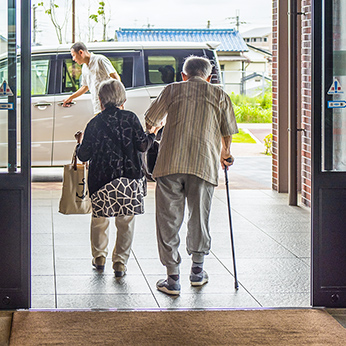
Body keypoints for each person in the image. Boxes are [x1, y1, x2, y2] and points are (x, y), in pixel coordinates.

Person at [145, 56, 238, 295]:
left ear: (184, 75)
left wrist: (158, 126)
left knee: (168, 220)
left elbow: (150, 120)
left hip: (170, 163)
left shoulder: (172, 90)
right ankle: (197, 272)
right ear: (209, 77)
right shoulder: (219, 95)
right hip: (203, 163)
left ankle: (172, 278)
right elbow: (227, 131)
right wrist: (225, 154)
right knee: (199, 217)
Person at [75, 79, 159, 277]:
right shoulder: (130, 118)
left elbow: (84, 155)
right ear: (123, 98)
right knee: (126, 222)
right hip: (129, 180)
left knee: (99, 221)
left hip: (102, 181)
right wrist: (152, 134)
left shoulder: (94, 123)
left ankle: (99, 258)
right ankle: (120, 263)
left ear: (101, 99)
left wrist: (79, 143)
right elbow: (142, 146)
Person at [63, 42, 121, 115]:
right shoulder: (84, 68)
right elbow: (85, 87)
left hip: (110, 106)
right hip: (98, 107)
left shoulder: (100, 60)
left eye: (74, 55)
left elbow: (115, 77)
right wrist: (70, 97)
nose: (73, 59)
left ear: (81, 52)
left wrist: (119, 100)